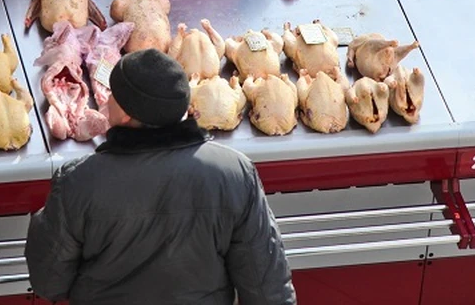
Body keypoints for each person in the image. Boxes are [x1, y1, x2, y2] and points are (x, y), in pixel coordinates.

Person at [25, 49, 296, 305]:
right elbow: (267, 287)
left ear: (128, 112)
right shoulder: (234, 172)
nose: (106, 100)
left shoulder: (78, 181)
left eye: (114, 95)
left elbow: (49, 282)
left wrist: (47, 219)